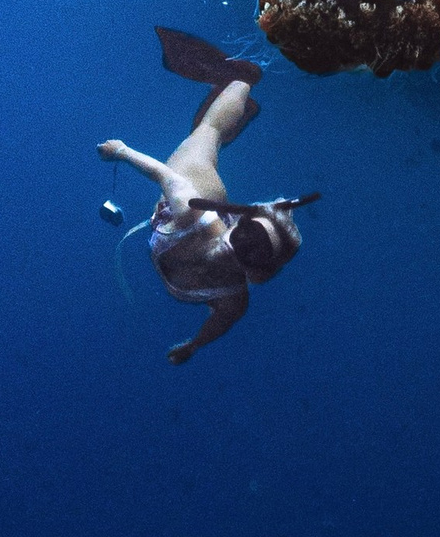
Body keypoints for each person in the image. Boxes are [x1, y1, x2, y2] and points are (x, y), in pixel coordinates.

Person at [100, 49, 318, 365]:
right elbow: (164, 175)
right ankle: (245, 79)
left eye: (254, 250)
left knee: (210, 136)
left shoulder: (234, 299)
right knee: (208, 133)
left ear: (259, 272)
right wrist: (119, 151)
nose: (242, 245)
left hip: (182, 213)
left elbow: (221, 321)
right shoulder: (192, 208)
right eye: (250, 232)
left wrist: (194, 345)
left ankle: (237, 107)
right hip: (198, 189)